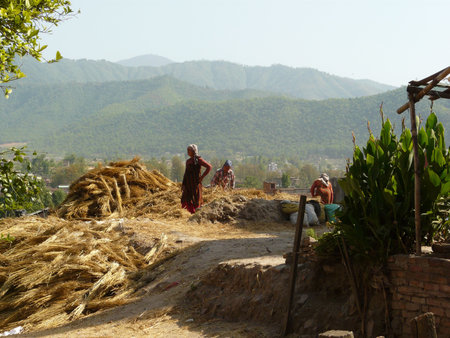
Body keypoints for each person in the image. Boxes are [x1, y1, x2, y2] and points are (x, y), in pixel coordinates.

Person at [181, 144, 212, 214]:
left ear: (194, 151)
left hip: (195, 184)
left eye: (189, 150)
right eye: (187, 150)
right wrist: (183, 184)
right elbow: (186, 174)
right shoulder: (188, 161)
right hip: (188, 184)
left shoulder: (198, 160)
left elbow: (209, 167)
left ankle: (196, 214)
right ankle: (188, 213)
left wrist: (202, 177)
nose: (188, 152)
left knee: (196, 199)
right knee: (186, 199)